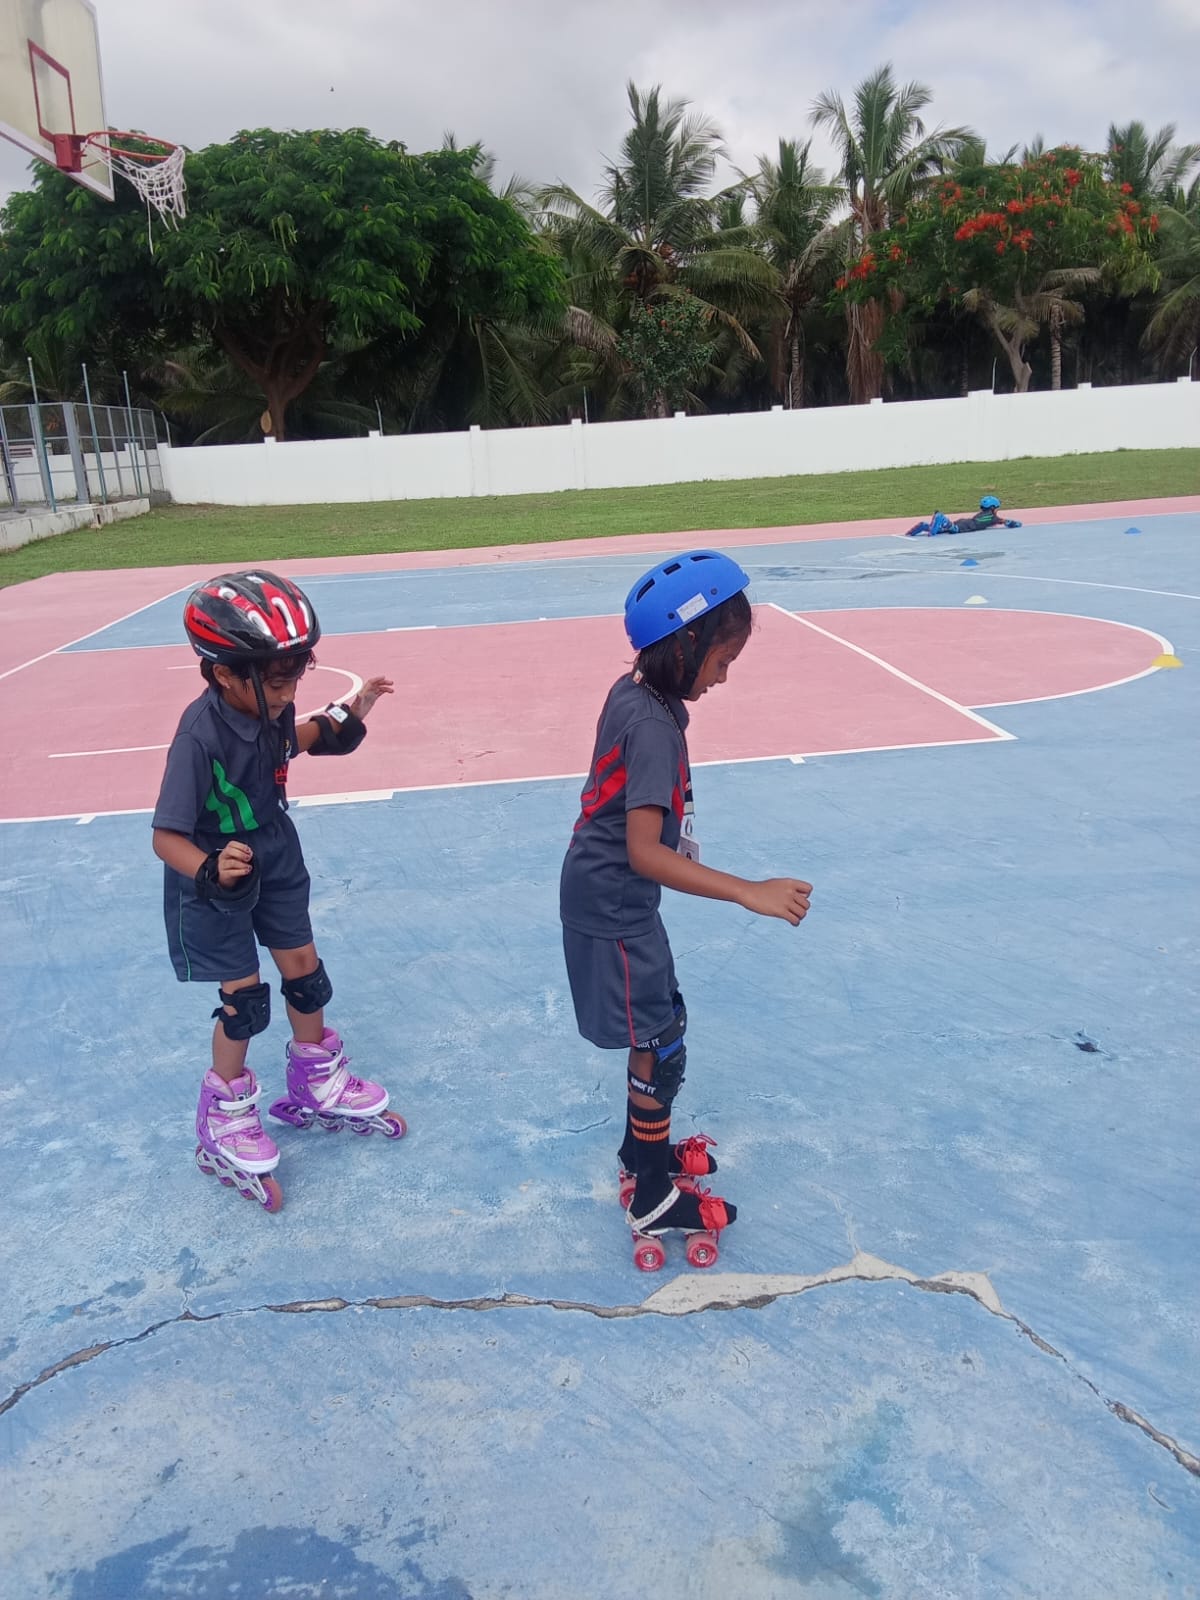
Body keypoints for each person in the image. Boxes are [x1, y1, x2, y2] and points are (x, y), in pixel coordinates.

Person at [559, 549, 813, 1270]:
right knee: (660, 1036)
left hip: (614, 896)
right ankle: (650, 1194)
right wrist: (747, 890)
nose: (724, 676)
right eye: (723, 660)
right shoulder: (653, 727)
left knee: (660, 1024)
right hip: (614, 902)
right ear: (687, 645)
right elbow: (644, 851)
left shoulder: (642, 693)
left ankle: (640, 1151)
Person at [152, 570, 402, 1213]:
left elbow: (297, 740)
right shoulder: (198, 736)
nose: (289, 692)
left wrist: (348, 715)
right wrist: (209, 869)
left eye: (295, 677)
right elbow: (166, 836)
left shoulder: (271, 705)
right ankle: (223, 1113)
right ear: (224, 673)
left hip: (275, 851)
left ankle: (315, 1078)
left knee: (305, 971)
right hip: (216, 872)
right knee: (244, 1000)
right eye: (277, 681)